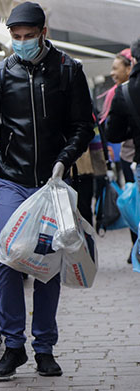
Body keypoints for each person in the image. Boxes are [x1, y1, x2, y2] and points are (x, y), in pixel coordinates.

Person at [0, 2, 94, 379]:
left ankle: (44, 347)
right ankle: (12, 346)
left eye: (28, 36)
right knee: (8, 258)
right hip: (11, 180)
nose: (21, 43)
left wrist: (64, 158)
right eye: (15, 37)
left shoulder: (69, 70)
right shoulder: (0, 74)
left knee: (47, 263)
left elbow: (83, 126)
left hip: (53, 183)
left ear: (43, 31)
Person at [100, 48, 136, 259]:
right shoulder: (118, 92)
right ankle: (135, 245)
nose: (112, 73)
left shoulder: (123, 92)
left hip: (131, 156)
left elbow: (113, 131)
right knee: (132, 203)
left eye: (116, 68)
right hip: (128, 156)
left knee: (133, 204)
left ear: (129, 67)